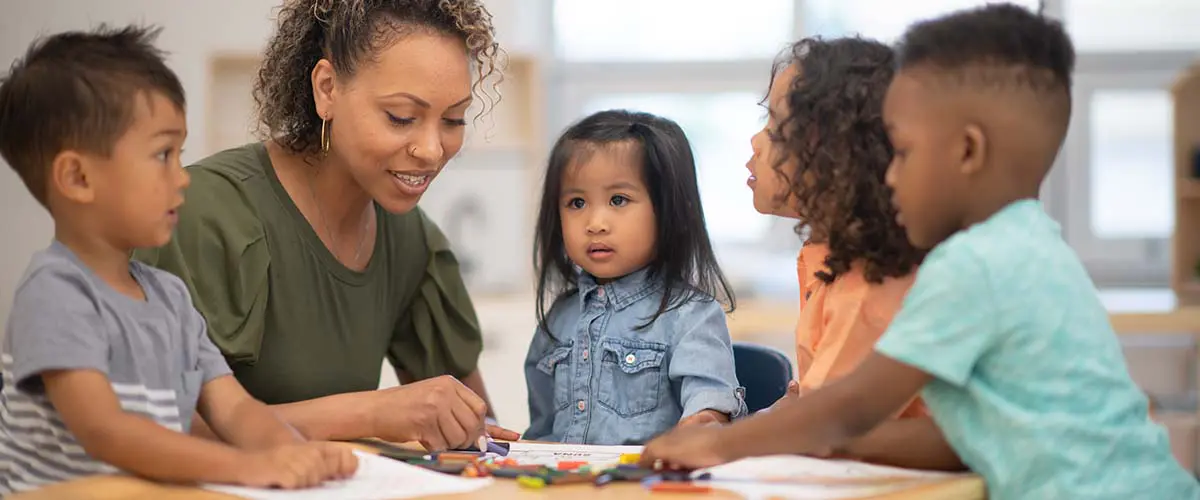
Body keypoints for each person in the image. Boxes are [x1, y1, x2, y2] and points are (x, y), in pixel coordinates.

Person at [640, 4, 1200, 499]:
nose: (889, 172)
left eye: (902, 152)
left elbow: (851, 407)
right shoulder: (1030, 245)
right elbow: (965, 434)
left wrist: (723, 447)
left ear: (966, 152)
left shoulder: (973, 264)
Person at [133, 0, 520, 450]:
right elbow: (142, 426)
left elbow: (475, 436)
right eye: (401, 117)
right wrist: (371, 411)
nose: (433, 150)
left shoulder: (411, 240)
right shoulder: (205, 213)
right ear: (327, 88)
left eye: (453, 120)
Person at [0, 25, 358, 494]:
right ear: (78, 178)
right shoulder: (56, 293)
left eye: (179, 153)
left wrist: (288, 449)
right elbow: (107, 431)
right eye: (162, 154)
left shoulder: (170, 297)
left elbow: (234, 409)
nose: (183, 177)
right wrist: (243, 467)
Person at [748, 36, 961, 471]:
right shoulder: (831, 260)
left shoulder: (871, 284)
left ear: (832, 155)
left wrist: (725, 443)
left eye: (773, 126)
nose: (756, 142)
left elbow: (825, 433)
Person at [522, 110, 747, 445]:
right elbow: (542, 430)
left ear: (669, 210)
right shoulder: (558, 317)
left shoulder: (691, 316)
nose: (595, 222)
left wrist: (706, 423)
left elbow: (709, 407)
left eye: (618, 200)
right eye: (576, 202)